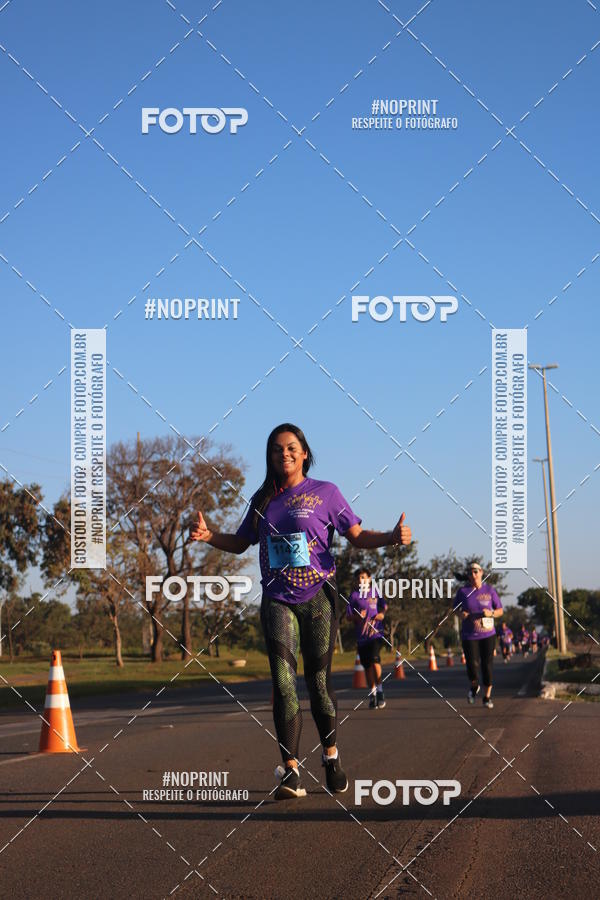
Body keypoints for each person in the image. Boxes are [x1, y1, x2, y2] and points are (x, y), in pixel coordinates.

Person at [191, 423, 412, 800]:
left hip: (319, 598)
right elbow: (243, 542)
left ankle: (331, 756)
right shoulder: (263, 500)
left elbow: (356, 536)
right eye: (277, 449)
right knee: (282, 684)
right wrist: (210, 536)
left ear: (304, 452)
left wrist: (390, 538)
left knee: (319, 685)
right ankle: (290, 771)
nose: (284, 454)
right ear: (270, 456)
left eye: (291, 447)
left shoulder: (326, 493)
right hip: (278, 599)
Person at [455, 562, 503, 709]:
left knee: (487, 665)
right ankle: (474, 685)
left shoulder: (489, 590)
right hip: (469, 635)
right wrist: (461, 614)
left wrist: (492, 613)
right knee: (472, 665)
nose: (473, 574)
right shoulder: (463, 591)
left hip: (488, 634)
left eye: (476, 571)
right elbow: (455, 609)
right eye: (470, 572)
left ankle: (487, 697)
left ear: (481, 572)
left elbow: (500, 610)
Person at [347, 569, 388, 709]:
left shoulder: (376, 592)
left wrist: (381, 614)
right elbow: (348, 616)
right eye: (358, 578)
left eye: (363, 577)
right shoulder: (354, 596)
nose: (361, 580)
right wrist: (356, 617)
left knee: (375, 658)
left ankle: (380, 691)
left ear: (369, 578)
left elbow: (384, 606)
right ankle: (373, 693)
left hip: (376, 634)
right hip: (362, 637)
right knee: (367, 666)